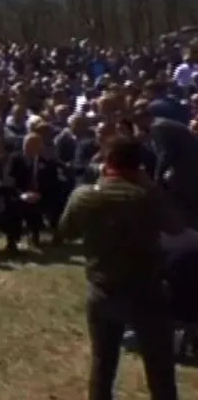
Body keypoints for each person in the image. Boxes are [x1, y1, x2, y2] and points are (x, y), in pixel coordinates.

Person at [58, 137, 184, 400]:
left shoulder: (84, 196)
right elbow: (175, 226)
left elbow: (66, 231)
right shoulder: (146, 196)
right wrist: (152, 186)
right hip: (146, 290)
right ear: (139, 167)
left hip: (103, 288)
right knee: (159, 366)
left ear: (107, 162)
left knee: (103, 363)